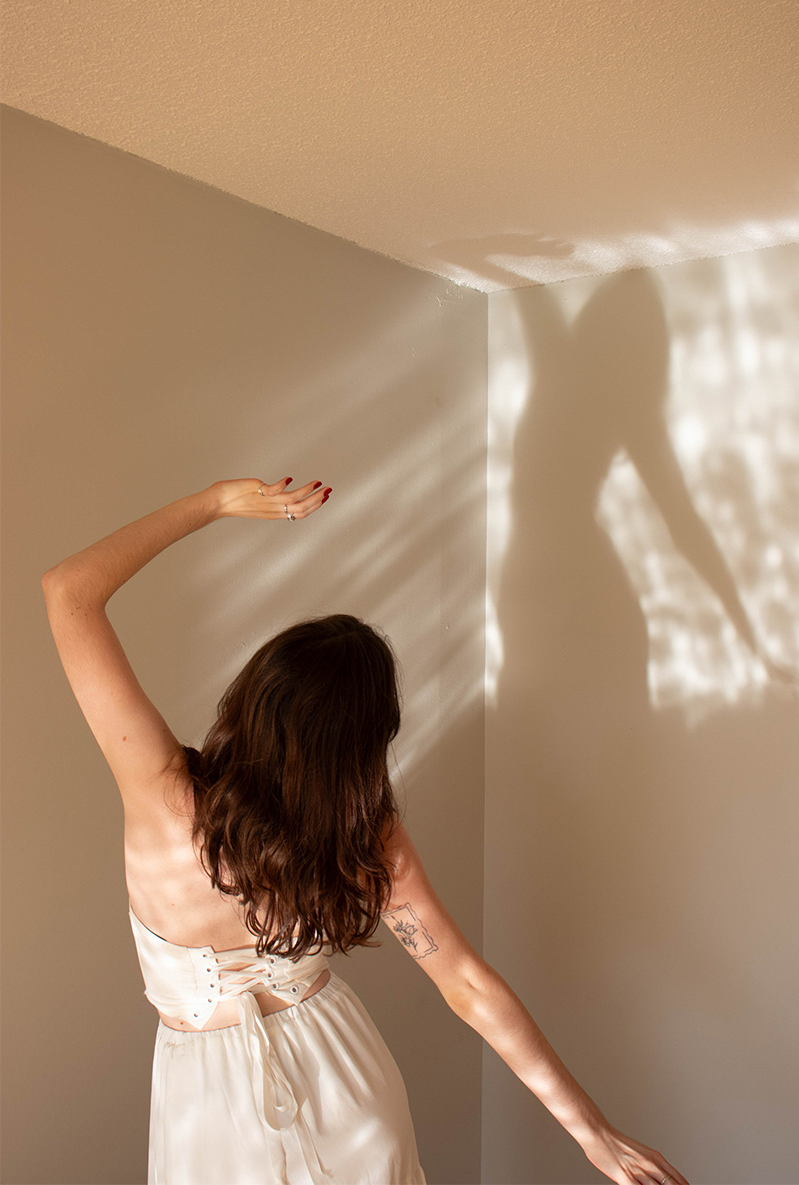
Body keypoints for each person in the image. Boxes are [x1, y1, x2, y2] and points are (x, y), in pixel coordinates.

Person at [42, 475, 690, 1185]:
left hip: (206, 1111)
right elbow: (467, 985)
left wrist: (218, 502)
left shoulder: (163, 792)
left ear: (255, 698)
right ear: (364, 748)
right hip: (347, 1083)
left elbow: (68, 590)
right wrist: (594, 1135)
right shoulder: (363, 837)